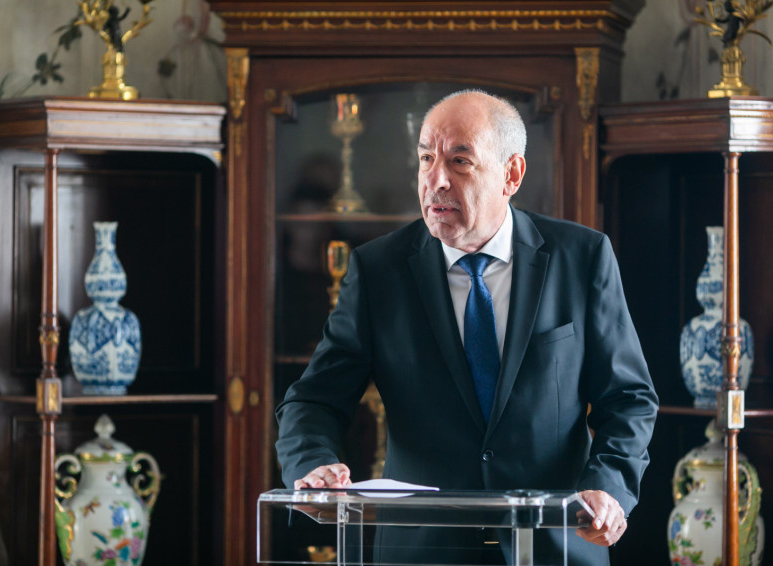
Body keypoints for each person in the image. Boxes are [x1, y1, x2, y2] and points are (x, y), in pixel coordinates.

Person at [276, 89, 658, 565]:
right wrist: (313, 465)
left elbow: (628, 398)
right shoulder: (379, 271)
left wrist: (608, 487)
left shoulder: (581, 257)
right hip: (423, 552)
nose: (436, 180)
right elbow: (313, 399)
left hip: (555, 544)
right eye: (426, 159)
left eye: (460, 161)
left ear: (511, 174)